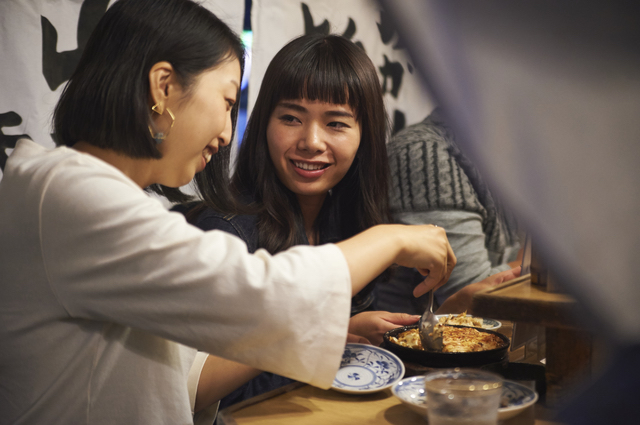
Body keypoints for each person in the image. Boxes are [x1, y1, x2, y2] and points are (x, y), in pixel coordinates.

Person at [0, 2, 456, 424]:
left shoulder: (88, 193)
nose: (224, 133)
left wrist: (323, 330)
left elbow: (186, 384)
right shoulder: (68, 193)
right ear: (163, 88)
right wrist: (391, 239)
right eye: (225, 103)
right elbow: (262, 292)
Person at [179, 34, 431, 411]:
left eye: (336, 123)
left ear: (364, 137)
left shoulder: (344, 221)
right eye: (291, 118)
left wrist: (342, 332)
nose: (311, 141)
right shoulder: (226, 232)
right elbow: (208, 396)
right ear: (264, 122)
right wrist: (318, 335)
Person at [375, 108, 522, 315]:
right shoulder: (425, 152)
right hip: (414, 342)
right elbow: (469, 297)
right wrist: (539, 264)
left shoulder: (506, 156)